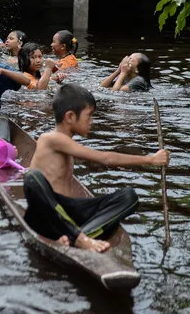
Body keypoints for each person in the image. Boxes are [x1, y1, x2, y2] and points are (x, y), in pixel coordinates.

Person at [23, 84, 170, 252]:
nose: (92, 122)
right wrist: (150, 159)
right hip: (47, 216)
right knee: (32, 178)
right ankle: (80, 239)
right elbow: (106, 158)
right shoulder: (50, 138)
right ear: (70, 116)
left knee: (129, 196)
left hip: (68, 214)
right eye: (89, 116)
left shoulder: (66, 143)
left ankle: (80, 236)